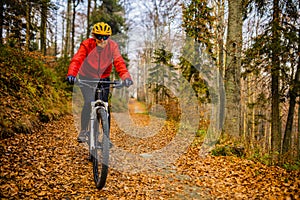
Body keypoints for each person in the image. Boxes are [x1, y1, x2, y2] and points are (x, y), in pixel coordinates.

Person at [66, 22, 133, 142]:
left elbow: (119, 63)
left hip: (104, 78)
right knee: (88, 102)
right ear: (94, 36)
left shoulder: (112, 46)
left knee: (105, 105)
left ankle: (106, 138)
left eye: (105, 37)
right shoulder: (87, 44)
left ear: (109, 37)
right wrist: (72, 74)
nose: (102, 40)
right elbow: (77, 59)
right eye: (99, 36)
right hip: (87, 77)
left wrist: (126, 78)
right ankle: (83, 131)